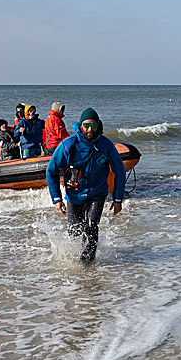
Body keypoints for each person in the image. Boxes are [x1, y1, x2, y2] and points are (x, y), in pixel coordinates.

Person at [46, 108, 126, 263]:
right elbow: (51, 171)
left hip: (97, 192)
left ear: (99, 126)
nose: (90, 129)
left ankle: (87, 265)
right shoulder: (68, 145)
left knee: (91, 225)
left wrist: (117, 199)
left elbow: (120, 171)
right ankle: (74, 259)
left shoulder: (106, 145)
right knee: (74, 232)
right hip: (74, 194)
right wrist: (57, 199)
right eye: (87, 125)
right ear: (81, 125)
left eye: (94, 126)